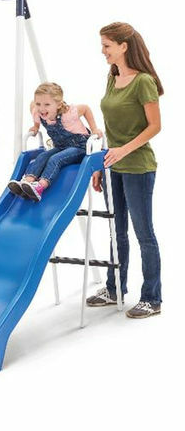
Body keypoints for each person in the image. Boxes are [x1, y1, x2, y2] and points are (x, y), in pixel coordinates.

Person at [86, 22, 163, 319]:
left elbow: (155, 126)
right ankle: (114, 288)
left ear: (123, 46)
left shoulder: (143, 81)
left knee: (144, 233)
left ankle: (152, 298)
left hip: (138, 167)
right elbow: (110, 128)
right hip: (113, 166)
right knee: (116, 232)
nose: (102, 51)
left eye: (106, 45)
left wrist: (123, 151)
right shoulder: (112, 77)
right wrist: (102, 163)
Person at [8, 83, 102, 202]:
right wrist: (36, 126)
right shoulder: (38, 112)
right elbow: (32, 106)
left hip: (80, 147)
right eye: (38, 104)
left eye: (47, 104)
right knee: (42, 156)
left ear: (59, 104)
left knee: (55, 159)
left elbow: (85, 109)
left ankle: (40, 186)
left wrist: (94, 128)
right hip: (61, 147)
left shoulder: (68, 114)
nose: (42, 109)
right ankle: (27, 182)